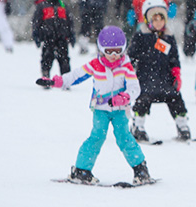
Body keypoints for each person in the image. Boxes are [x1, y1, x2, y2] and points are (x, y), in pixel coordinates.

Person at [35, 26, 154, 185]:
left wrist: (124, 97)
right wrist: (57, 81)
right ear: (101, 49)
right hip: (100, 110)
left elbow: (135, 88)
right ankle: (81, 170)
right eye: (109, 51)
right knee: (97, 137)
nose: (113, 55)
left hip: (119, 111)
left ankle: (140, 169)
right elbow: (76, 75)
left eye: (117, 51)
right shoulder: (96, 64)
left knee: (124, 137)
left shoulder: (125, 65)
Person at [128, 0, 191, 142]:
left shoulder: (168, 37)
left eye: (161, 19)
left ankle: (182, 126)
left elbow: (174, 58)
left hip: (165, 80)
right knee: (142, 99)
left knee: (176, 98)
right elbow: (131, 56)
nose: (158, 22)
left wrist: (176, 74)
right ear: (148, 20)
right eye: (154, 19)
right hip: (144, 79)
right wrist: (129, 72)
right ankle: (138, 126)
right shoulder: (141, 36)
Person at [31, 0, 75, 81]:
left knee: (64, 59)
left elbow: (69, 21)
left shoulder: (63, 5)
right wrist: (36, 34)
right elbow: (36, 21)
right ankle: (45, 75)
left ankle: (66, 79)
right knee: (47, 58)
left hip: (62, 37)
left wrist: (71, 35)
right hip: (48, 37)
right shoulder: (41, 5)